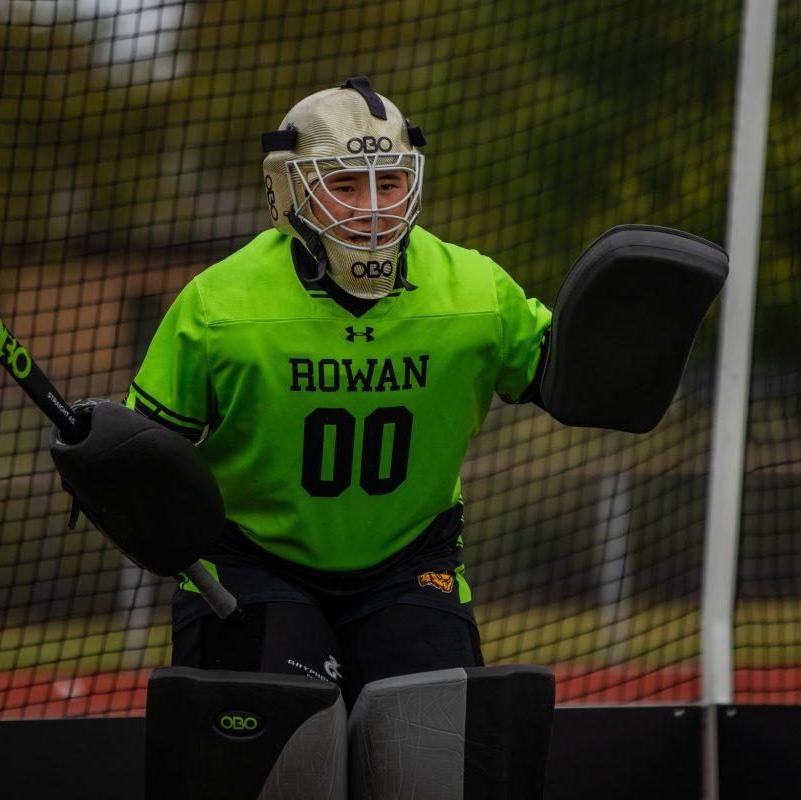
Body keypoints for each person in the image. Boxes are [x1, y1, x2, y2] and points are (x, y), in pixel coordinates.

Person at [125, 76, 551, 708]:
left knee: (427, 756)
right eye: (345, 185)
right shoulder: (219, 304)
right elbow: (148, 458)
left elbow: (572, 379)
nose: (373, 207)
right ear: (290, 191)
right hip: (253, 561)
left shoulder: (478, 291)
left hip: (411, 564)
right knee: (277, 762)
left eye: (391, 182)